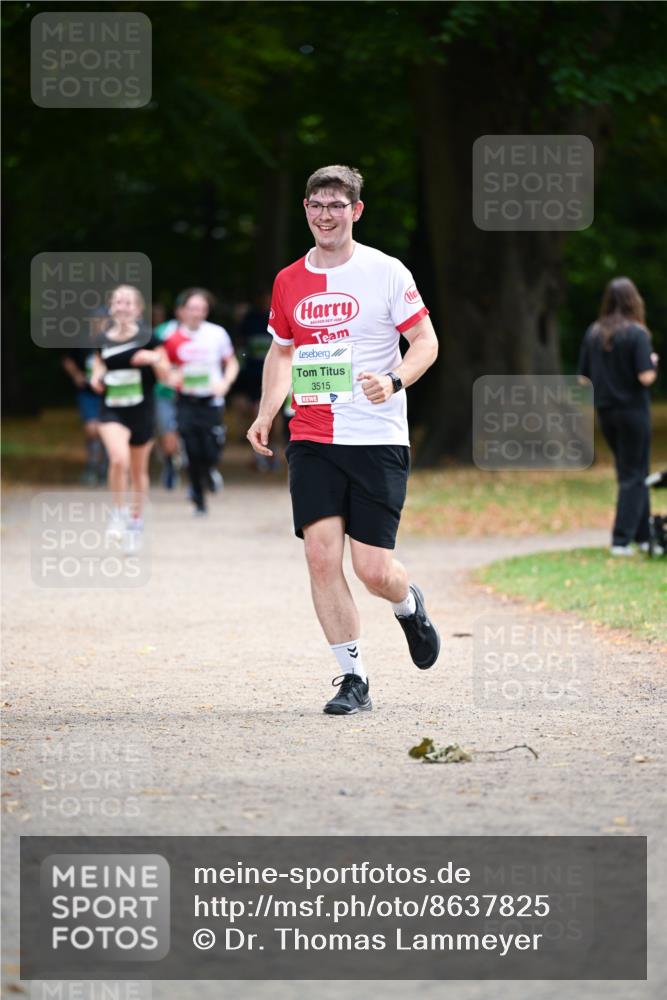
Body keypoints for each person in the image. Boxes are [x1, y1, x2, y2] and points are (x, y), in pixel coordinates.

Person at [247, 164, 441, 716]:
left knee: (373, 569)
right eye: (316, 204)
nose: (325, 215)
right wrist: (266, 413)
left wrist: (395, 379)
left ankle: (408, 605)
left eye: (336, 205)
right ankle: (353, 678)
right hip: (312, 435)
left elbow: (425, 341)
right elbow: (282, 352)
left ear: (355, 211)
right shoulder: (289, 280)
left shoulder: (386, 271)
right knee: (320, 557)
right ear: (305, 210)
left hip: (377, 436)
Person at [577, 276, 659, 556]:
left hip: (606, 413)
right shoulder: (637, 333)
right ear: (634, 300)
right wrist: (654, 363)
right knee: (634, 474)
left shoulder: (594, 332)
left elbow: (582, 379)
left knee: (632, 472)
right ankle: (621, 540)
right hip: (633, 412)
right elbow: (646, 376)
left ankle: (645, 537)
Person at [90, 285, 170, 547]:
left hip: (141, 410)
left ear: (138, 309)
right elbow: (98, 365)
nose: (122, 307)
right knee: (118, 458)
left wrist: (154, 359)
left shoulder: (150, 338)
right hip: (112, 409)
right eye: (118, 303)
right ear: (112, 308)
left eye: (128, 303)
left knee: (138, 472)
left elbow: (167, 375)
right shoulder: (103, 339)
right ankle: (119, 513)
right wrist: (96, 377)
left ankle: (136, 522)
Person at [163, 288, 240, 515]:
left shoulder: (217, 334)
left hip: (212, 401)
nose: (197, 313)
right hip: (186, 401)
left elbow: (232, 362)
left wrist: (225, 383)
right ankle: (198, 497)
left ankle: (209, 471)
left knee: (211, 449)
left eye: (202, 309)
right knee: (192, 449)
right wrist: (171, 377)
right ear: (182, 311)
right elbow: (163, 368)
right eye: (193, 309)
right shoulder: (173, 338)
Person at [61, 307, 108, 483]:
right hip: (88, 393)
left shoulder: (113, 341)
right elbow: (67, 360)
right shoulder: (82, 340)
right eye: (96, 321)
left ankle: (104, 466)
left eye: (103, 320)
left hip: (108, 393)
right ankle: (92, 463)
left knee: (106, 430)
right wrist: (76, 375)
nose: (99, 324)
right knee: (91, 429)